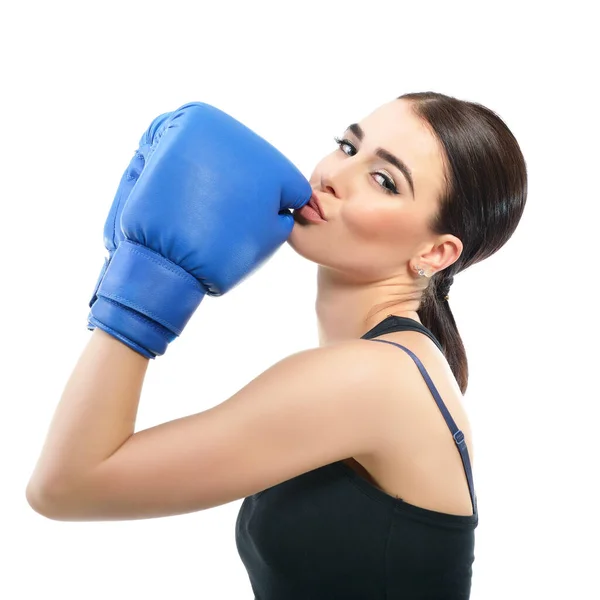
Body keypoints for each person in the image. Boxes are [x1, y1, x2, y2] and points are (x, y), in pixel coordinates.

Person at [25, 93, 527, 599]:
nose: (334, 175)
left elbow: (66, 486)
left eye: (384, 180)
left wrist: (141, 289)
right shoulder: (388, 364)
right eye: (348, 147)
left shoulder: (374, 378)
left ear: (435, 252)